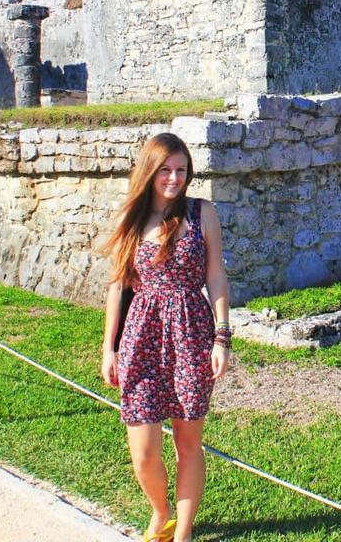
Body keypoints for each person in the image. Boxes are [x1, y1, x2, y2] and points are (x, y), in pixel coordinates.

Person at [100, 132, 231, 542]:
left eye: (181, 170)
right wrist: (109, 347)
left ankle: (183, 533)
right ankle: (160, 511)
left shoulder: (200, 213)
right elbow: (118, 285)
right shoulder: (133, 219)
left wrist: (222, 336)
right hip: (141, 335)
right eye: (165, 170)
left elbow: (215, 275)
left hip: (191, 330)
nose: (174, 179)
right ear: (150, 171)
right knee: (143, 451)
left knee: (189, 444)